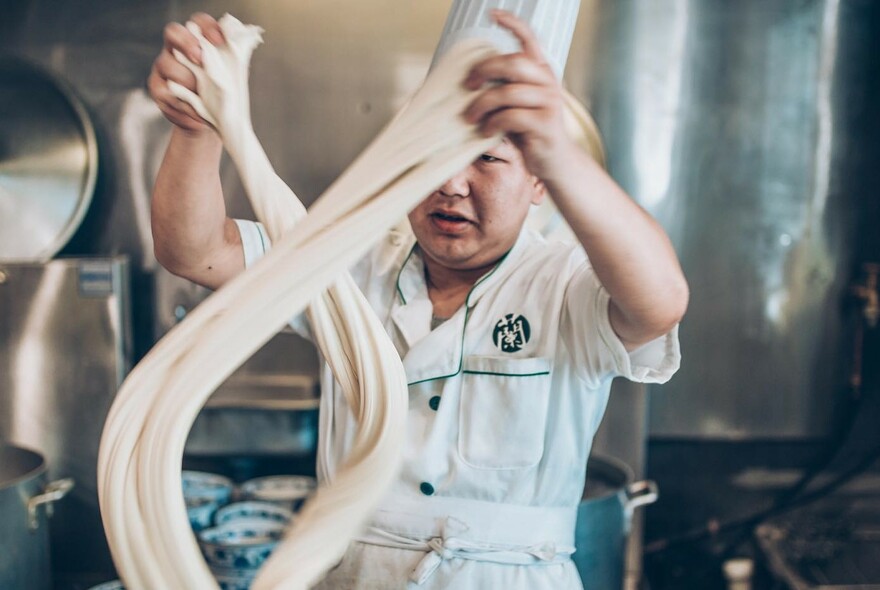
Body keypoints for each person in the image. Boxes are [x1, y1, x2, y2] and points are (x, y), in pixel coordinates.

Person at [149, 9, 688, 590]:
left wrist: (557, 149)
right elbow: (196, 251)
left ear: (539, 181)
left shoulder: (565, 285)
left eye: (487, 158)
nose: (452, 185)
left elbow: (658, 304)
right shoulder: (347, 262)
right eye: (435, 156)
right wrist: (196, 129)